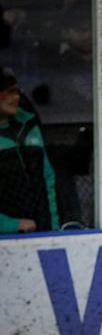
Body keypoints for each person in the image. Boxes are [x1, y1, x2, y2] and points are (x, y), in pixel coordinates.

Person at [0, 69, 59, 233]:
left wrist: (53, 227)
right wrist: (12, 225)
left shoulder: (30, 125)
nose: (15, 97)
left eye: (17, 92)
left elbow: (47, 178)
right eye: (8, 92)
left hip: (41, 232)